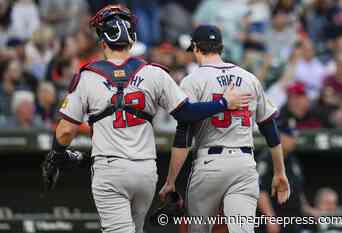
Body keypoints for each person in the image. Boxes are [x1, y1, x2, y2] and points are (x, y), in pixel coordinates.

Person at [41, 5, 249, 233]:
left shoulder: (88, 76)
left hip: (110, 169)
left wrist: (56, 156)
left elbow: (64, 132)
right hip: (145, 172)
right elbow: (186, 113)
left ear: (102, 41)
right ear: (132, 39)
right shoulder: (154, 72)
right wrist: (222, 103)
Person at [160, 25, 290, 233]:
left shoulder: (193, 80)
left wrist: (171, 180)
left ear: (195, 48)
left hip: (210, 163)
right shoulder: (249, 78)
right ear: (220, 47)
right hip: (244, 164)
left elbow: (183, 135)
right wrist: (280, 172)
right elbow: (269, 128)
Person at [257, 119, 309, 233]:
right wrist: (270, 218)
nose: (294, 140)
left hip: (294, 220)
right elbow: (260, 190)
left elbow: (298, 191)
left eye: (295, 137)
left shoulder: (293, 160)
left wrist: (309, 210)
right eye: (290, 136)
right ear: (280, 136)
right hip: (276, 220)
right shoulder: (266, 158)